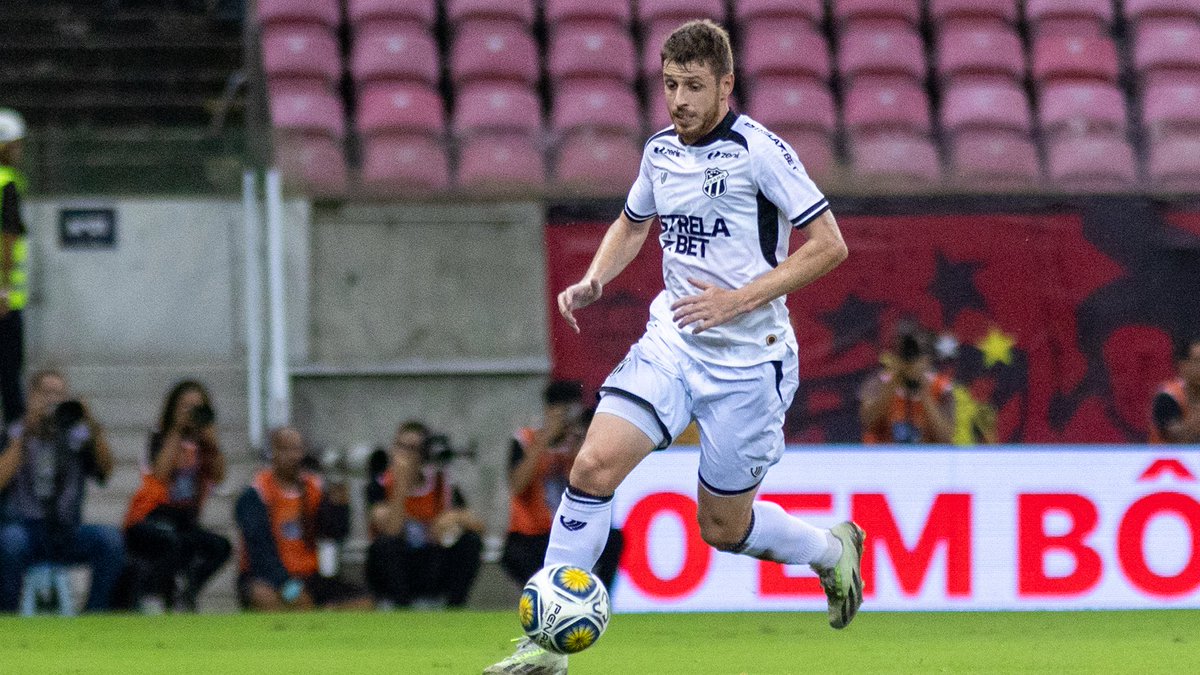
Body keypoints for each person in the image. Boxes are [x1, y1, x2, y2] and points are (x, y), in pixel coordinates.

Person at [486, 20, 862, 675]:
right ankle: (547, 649)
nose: (679, 99)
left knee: (721, 527)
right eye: (670, 85)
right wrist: (596, 276)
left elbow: (830, 245)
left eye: (693, 86)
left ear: (726, 85)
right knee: (592, 467)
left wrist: (736, 299)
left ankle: (831, 550)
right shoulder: (660, 150)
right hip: (674, 344)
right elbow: (633, 223)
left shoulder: (759, 151)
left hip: (753, 363)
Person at [0, 369, 125, 612]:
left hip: (67, 529)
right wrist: (26, 432)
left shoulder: (78, 435)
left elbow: (106, 471)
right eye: (45, 392)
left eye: (58, 393)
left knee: (110, 540)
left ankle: (94, 614)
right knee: (9, 541)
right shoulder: (14, 432)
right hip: (26, 528)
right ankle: (7, 615)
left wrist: (91, 424)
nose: (51, 399)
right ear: (31, 396)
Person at [122, 380, 231, 612]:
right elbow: (160, 474)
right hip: (150, 517)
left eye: (197, 408)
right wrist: (177, 431)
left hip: (184, 520)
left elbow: (220, 476)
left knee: (220, 547)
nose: (191, 414)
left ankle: (187, 591)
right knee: (173, 543)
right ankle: (152, 595)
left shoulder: (204, 443)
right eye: (185, 407)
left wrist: (211, 443)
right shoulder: (159, 435)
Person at [501, 384, 623, 591]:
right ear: (549, 411)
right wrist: (544, 441)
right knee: (514, 555)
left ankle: (599, 597)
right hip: (532, 534)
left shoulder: (579, 442)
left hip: (572, 528)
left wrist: (579, 446)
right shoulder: (525, 440)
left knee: (614, 539)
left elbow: (590, 483)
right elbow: (517, 485)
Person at [234, 426, 371, 611]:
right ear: (273, 453)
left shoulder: (314, 488)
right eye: (286, 449)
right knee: (264, 595)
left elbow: (335, 535)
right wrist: (288, 586)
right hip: (269, 578)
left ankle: (315, 615)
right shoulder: (256, 495)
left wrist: (339, 506)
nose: (293, 456)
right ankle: (311, 613)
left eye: (297, 449)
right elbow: (260, 554)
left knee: (364, 600)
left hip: (308, 575)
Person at [365, 420, 484, 608]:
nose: (406, 455)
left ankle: (453, 608)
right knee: (385, 545)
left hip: (429, 561)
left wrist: (453, 518)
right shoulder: (380, 484)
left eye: (413, 449)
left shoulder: (440, 483)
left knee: (470, 542)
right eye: (401, 447)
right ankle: (401, 607)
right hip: (397, 567)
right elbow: (390, 530)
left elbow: (477, 525)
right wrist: (401, 485)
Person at [859, 321, 956, 444]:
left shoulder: (942, 388)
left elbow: (946, 436)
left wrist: (925, 393)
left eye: (916, 354)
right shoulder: (878, 383)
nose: (910, 360)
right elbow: (868, 422)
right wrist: (894, 381)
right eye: (904, 354)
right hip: (884, 457)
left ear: (927, 359)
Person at [0, 109, 29, 428]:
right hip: (6, 304)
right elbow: (8, 240)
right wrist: (4, 290)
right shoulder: (7, 183)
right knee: (10, 377)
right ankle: (15, 444)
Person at [1149, 336, 1200, 443]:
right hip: (1170, 457)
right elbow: (1176, 437)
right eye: (1197, 361)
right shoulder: (1168, 396)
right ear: (1183, 365)